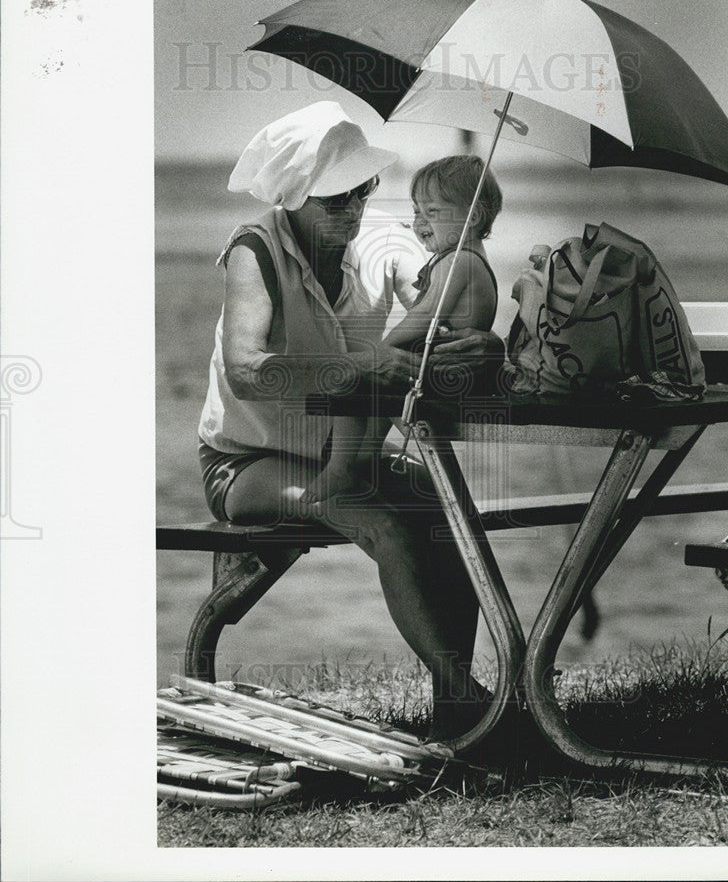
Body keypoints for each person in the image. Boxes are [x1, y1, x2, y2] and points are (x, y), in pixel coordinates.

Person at [197, 102, 506, 747]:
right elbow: (249, 368)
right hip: (246, 461)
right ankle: (463, 695)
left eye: (361, 194)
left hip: (340, 450)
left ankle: (455, 703)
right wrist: (355, 371)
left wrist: (481, 340)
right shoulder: (255, 251)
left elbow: (441, 294)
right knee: (380, 521)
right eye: (335, 202)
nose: (353, 214)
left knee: (446, 504)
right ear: (294, 198)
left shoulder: (379, 238)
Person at [301, 154, 501, 505]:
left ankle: (341, 466)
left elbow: (426, 315)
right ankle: (364, 456)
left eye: (433, 212)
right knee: (379, 383)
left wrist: (382, 348)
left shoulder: (459, 261)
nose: (420, 222)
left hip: (446, 372)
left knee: (359, 376)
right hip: (449, 369)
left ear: (474, 217)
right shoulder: (461, 257)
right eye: (416, 211)